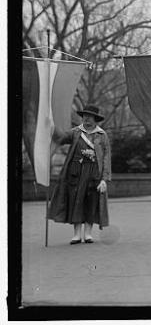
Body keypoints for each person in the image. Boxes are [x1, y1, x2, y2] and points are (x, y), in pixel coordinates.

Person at [48, 104, 111, 244]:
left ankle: (88, 234)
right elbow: (61, 138)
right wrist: (50, 126)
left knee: (91, 201)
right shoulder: (76, 132)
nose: (86, 119)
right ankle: (76, 234)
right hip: (76, 172)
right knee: (76, 201)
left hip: (94, 173)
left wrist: (104, 179)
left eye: (89, 117)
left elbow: (106, 157)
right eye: (84, 117)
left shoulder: (102, 135)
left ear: (95, 119)